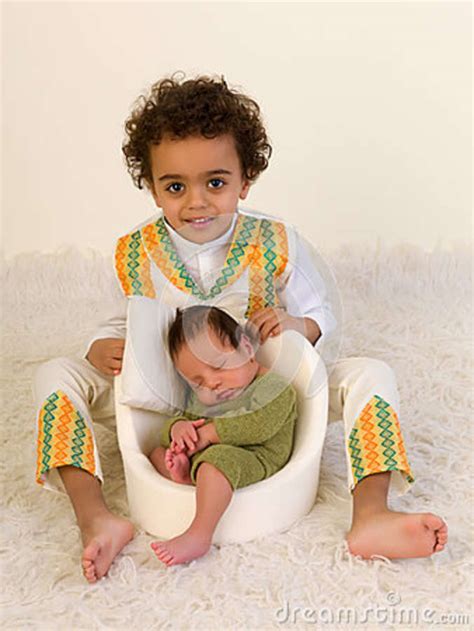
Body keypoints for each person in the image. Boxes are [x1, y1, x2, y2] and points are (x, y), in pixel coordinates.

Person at [33, 73, 447, 584]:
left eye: (216, 182)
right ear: (152, 185)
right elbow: (115, 319)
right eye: (175, 186)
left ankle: (372, 511)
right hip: (172, 393)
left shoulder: (274, 241)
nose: (197, 202)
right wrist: (101, 347)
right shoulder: (134, 251)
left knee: (372, 375)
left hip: (264, 390)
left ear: (244, 179)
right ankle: (95, 514)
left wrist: (299, 324)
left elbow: (323, 313)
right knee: (54, 375)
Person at [148, 305, 297, 566]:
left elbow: (259, 425)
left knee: (216, 459)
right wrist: (178, 429)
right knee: (157, 452)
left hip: (257, 457)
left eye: (218, 366)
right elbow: (186, 424)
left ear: (247, 349)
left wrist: (209, 434)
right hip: (213, 458)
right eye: (197, 382)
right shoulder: (203, 399)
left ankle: (199, 533)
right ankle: (186, 478)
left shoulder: (274, 387)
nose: (212, 384)